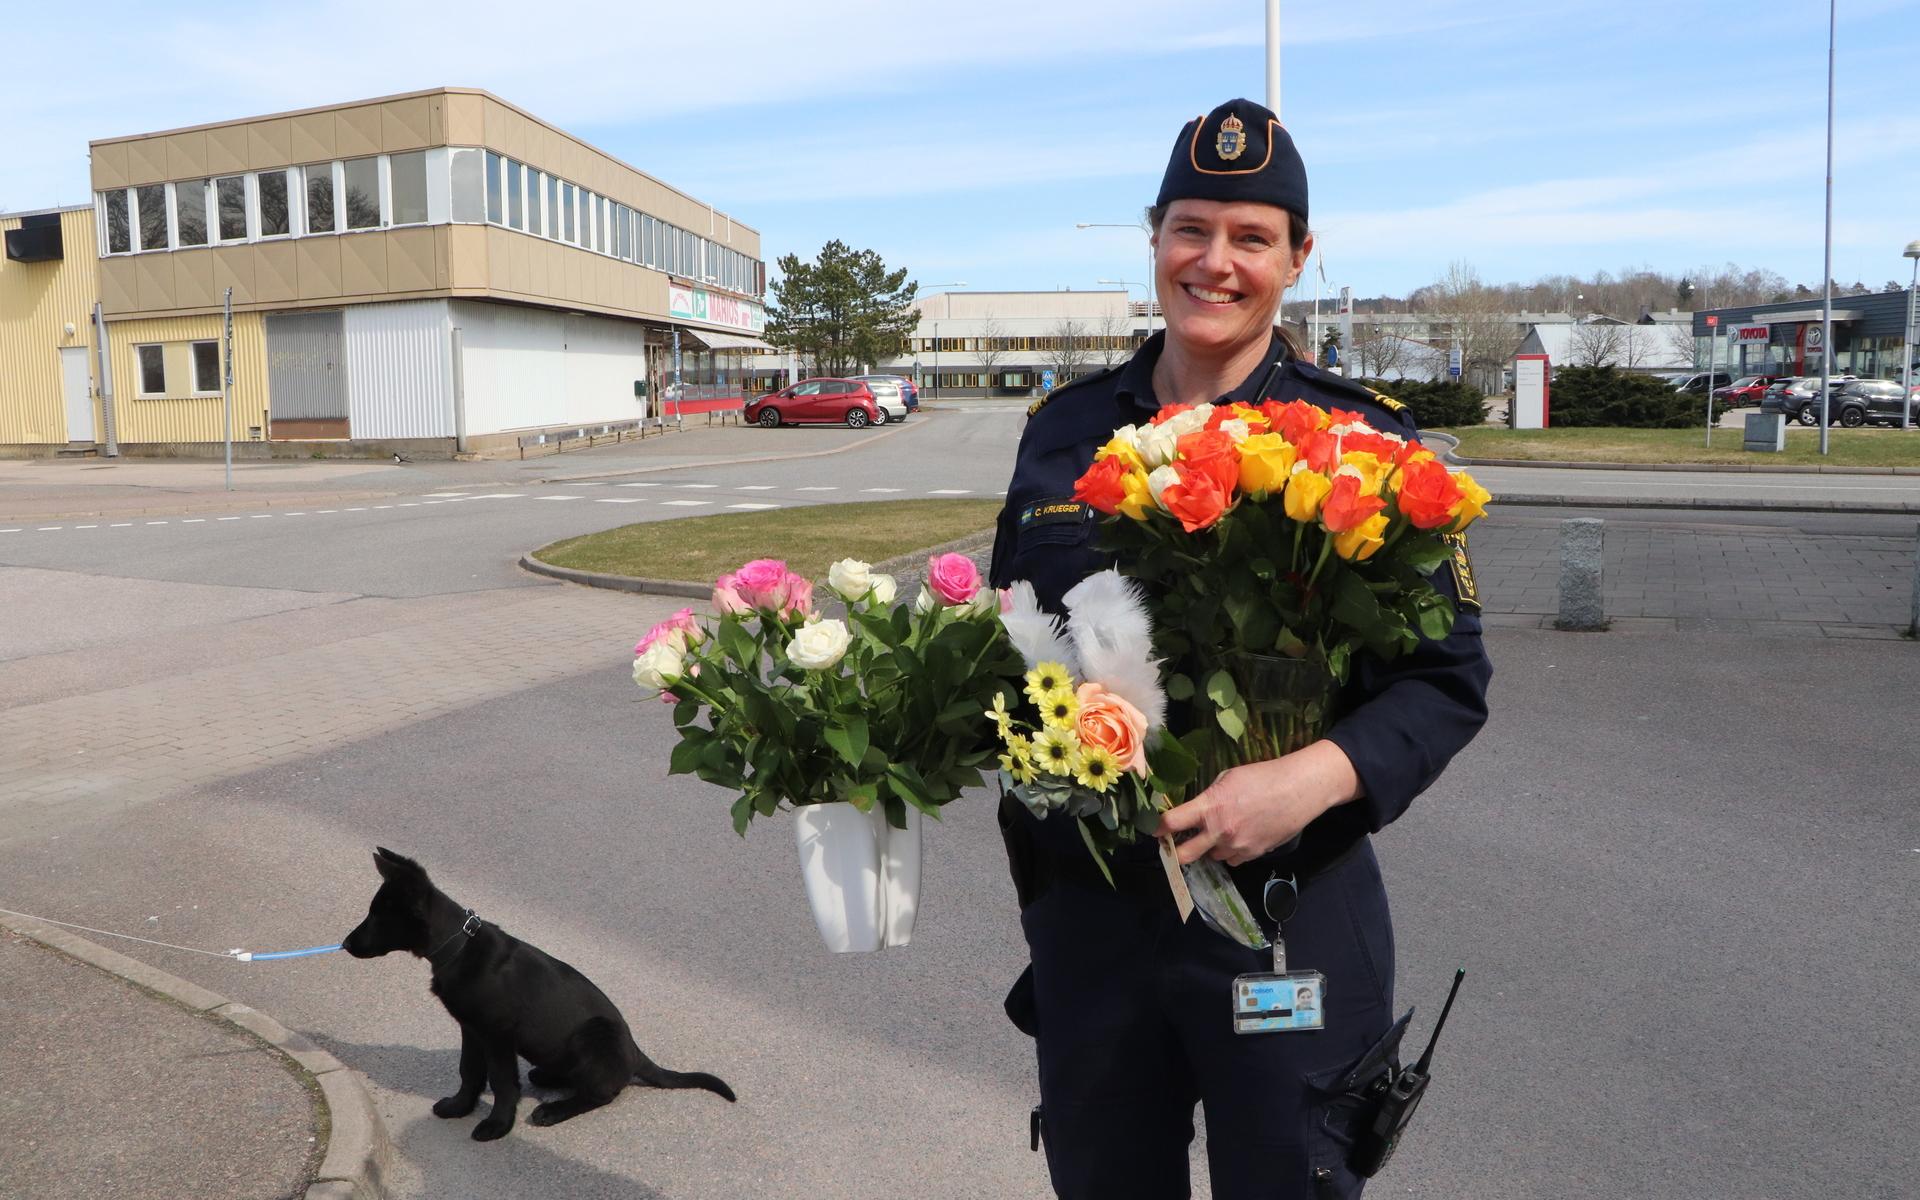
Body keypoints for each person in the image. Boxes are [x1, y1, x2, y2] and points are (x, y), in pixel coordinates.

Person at [987, 98, 1493, 1199]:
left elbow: (1447, 682)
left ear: (1298, 258)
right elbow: (1013, 641)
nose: (1216, 263)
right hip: (1097, 919)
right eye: (1191, 228)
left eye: (1252, 237)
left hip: (1283, 916)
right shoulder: (1063, 433)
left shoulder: (1367, 447)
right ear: (1155, 237)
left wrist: (1305, 780)